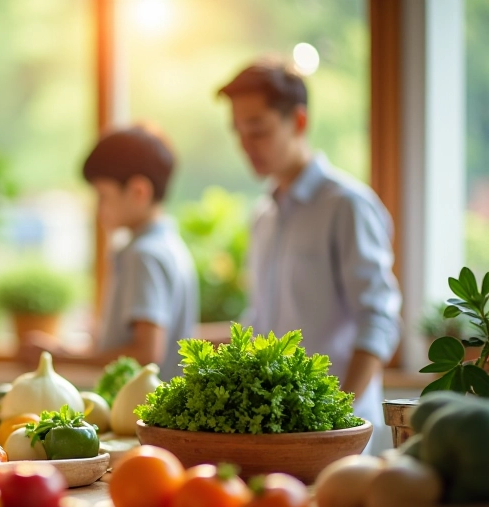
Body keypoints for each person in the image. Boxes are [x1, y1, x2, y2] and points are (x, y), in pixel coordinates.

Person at [216, 59, 402, 454]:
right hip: (278, 432)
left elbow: (379, 320)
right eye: (238, 133)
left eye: (259, 130)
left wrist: (336, 417)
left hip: (343, 439)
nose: (246, 146)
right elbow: (261, 324)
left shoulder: (347, 206)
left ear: (298, 121)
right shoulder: (263, 216)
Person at [23, 126, 199, 382]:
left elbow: (146, 353)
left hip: (139, 412)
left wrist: (60, 359)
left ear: (139, 191)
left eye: (103, 195)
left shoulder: (144, 255)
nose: (98, 208)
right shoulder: (169, 245)